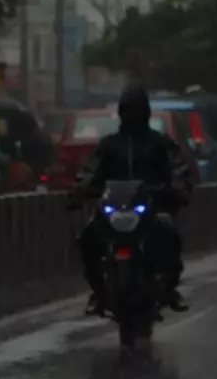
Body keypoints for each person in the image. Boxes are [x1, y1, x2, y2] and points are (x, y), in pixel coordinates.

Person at [73, 85, 192, 316]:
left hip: (150, 207)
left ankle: (169, 288)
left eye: (137, 110)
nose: (133, 116)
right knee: (87, 235)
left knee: (170, 234)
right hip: (114, 207)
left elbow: (177, 167)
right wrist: (82, 188)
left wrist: (177, 186)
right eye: (128, 110)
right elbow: (90, 170)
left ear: (146, 112)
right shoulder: (108, 145)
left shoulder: (159, 143)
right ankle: (98, 291)